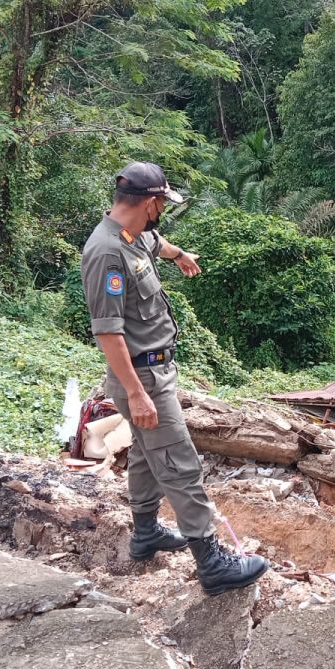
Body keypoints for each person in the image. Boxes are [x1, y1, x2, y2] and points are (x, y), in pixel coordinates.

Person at [80, 161, 268, 595]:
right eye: (162, 202)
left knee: (148, 457)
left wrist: (180, 255)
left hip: (154, 370)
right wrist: (135, 393)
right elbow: (107, 332)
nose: (162, 210)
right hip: (142, 379)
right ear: (150, 202)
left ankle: (145, 534)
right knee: (180, 464)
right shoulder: (106, 252)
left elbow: (155, 241)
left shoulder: (131, 235)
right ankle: (213, 563)